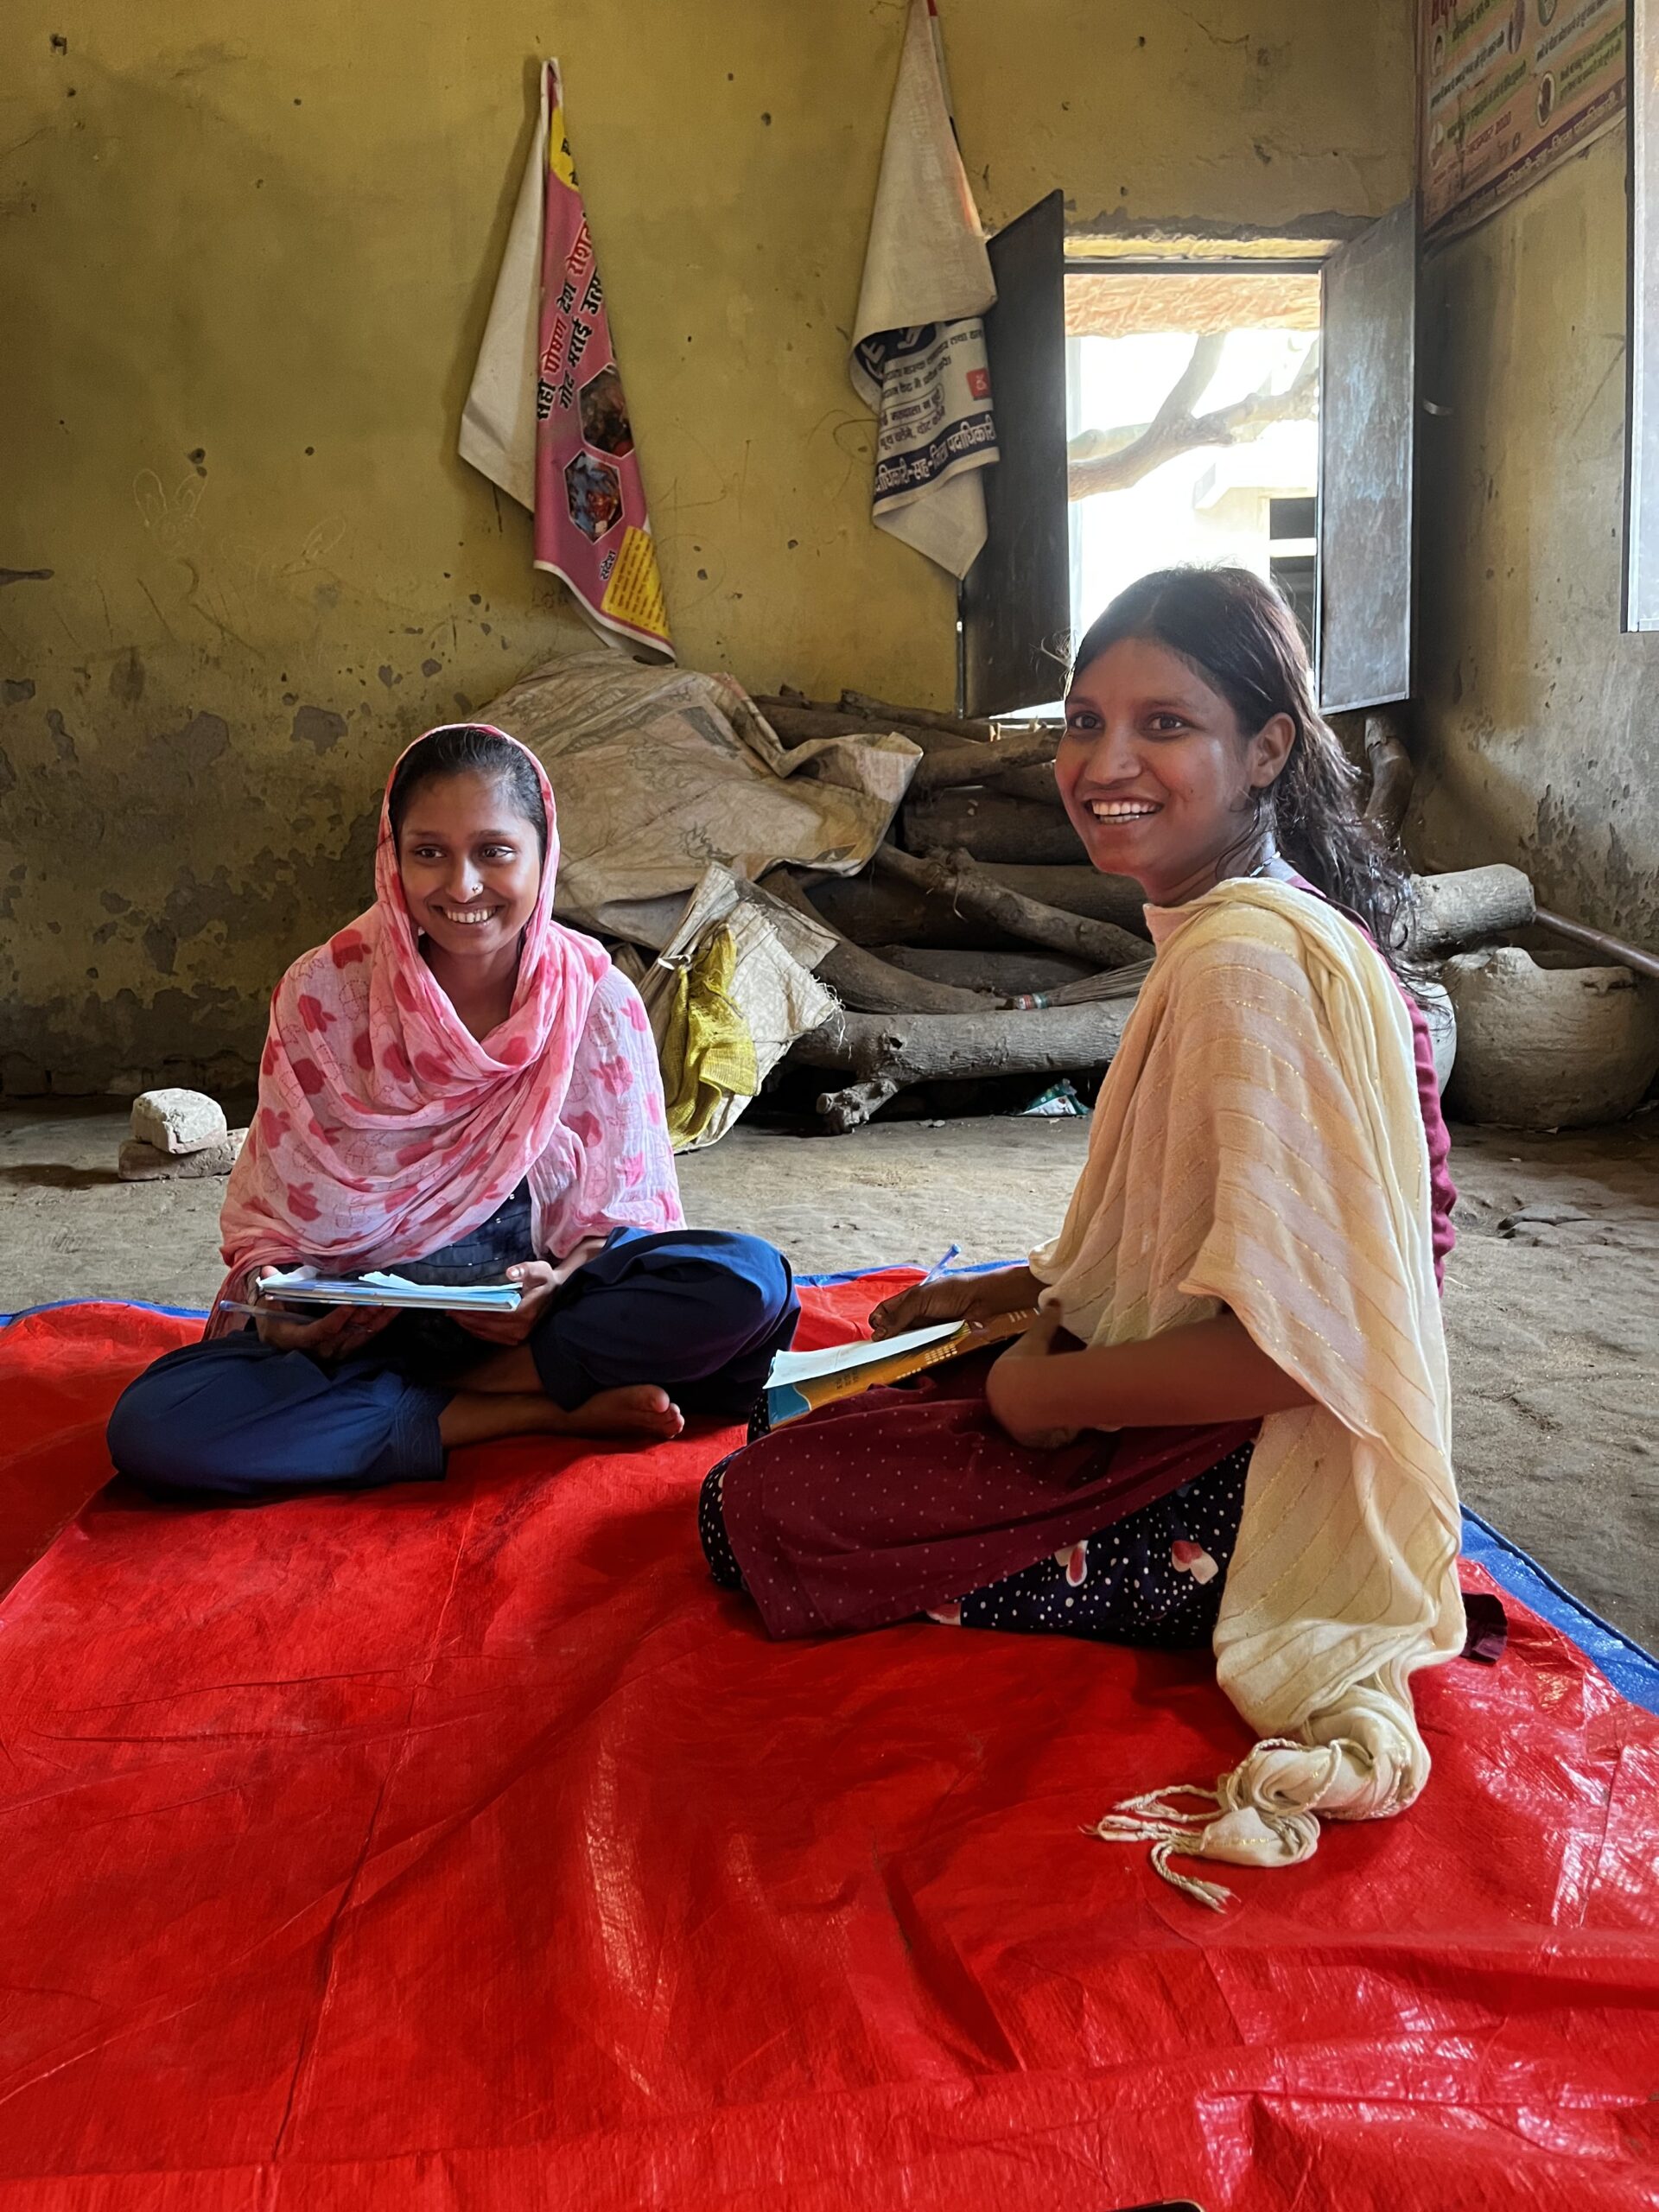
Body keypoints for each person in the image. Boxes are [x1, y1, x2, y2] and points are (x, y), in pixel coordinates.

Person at [699, 568, 1466, 1895]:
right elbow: (1206, 1244)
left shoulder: (1246, 965)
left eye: (1165, 725)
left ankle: (1193, 1580)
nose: (1106, 763)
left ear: (1265, 749)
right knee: (825, 1423)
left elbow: (1300, 1354)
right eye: (1082, 722)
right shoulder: (1232, 929)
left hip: (1270, 1460)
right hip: (1231, 1407)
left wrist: (1037, 1390)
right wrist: (993, 1302)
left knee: (759, 1505)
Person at [108, 724, 798, 1502]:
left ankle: (472, 1395)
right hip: (361, 1339)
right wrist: (282, 1314)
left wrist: (560, 1280)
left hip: (542, 1329)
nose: (462, 886)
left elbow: (626, 1216)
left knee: (748, 1279)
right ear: (391, 857)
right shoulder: (323, 992)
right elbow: (276, 1226)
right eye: (429, 852)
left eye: (495, 852)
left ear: (544, 858)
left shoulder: (593, 998)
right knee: (157, 1425)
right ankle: (524, 1413)